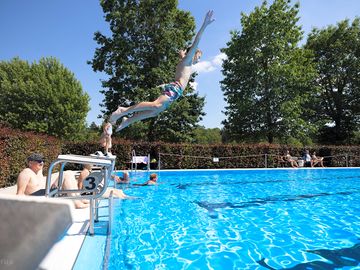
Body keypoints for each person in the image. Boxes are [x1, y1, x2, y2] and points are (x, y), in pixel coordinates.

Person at [109, 10, 215, 132]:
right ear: (193, 53)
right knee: (156, 105)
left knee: (154, 112)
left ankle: (128, 120)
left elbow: (182, 65)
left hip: (176, 92)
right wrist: (204, 25)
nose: (199, 60)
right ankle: (123, 111)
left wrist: (181, 55)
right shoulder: (188, 60)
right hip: (175, 88)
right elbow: (196, 41)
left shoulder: (185, 62)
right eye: (199, 56)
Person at [16, 153, 89, 209]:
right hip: (36, 198)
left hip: (45, 193)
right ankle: (76, 203)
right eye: (38, 161)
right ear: (30, 163)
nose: (41, 162)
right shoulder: (26, 173)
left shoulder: (38, 172)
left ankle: (78, 198)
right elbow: (19, 193)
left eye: (43, 160)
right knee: (66, 174)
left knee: (69, 172)